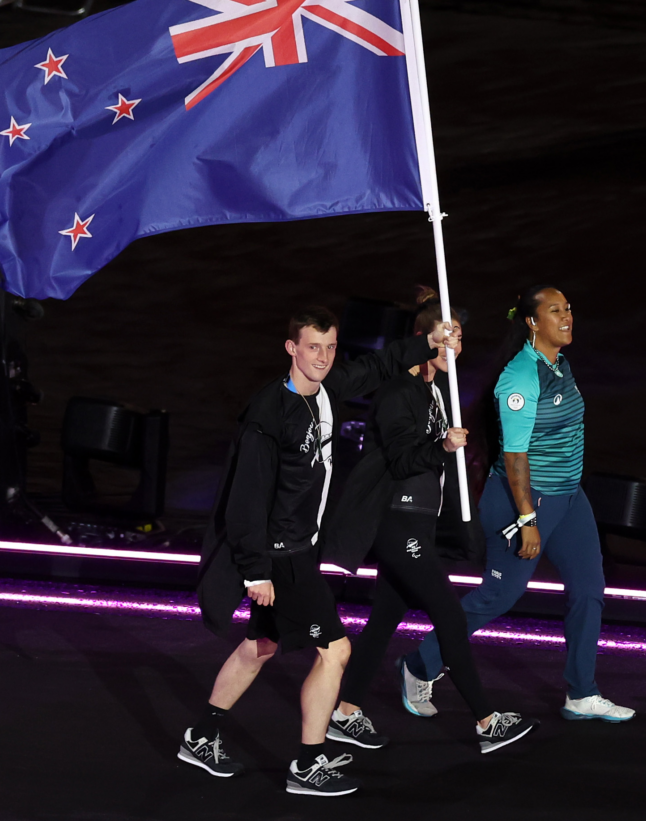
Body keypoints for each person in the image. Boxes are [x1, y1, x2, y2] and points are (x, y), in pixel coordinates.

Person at [181, 305, 459, 797]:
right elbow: (245, 501)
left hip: (300, 546)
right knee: (335, 650)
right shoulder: (269, 416)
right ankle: (307, 766)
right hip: (279, 553)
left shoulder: (326, 390)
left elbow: (376, 366)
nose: (323, 357)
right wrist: (255, 572)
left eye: (331, 347)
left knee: (261, 647)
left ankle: (200, 737)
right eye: (313, 347)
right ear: (291, 349)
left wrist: (431, 343)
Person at [397, 286, 635, 723]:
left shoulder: (559, 364)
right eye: (555, 311)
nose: (567, 318)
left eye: (568, 309)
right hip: (523, 503)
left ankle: (581, 693)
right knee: (498, 596)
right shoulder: (520, 378)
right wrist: (527, 519)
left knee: (588, 592)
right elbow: (514, 457)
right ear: (531, 322)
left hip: (568, 498)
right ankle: (419, 663)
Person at [321, 288, 538, 755]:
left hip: (419, 522)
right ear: (424, 338)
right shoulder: (400, 388)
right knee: (449, 615)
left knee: (383, 621)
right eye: (447, 338)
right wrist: (441, 447)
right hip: (396, 520)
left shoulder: (438, 388)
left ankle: (345, 712)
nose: (455, 349)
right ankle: (485, 721)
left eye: (460, 339)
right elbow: (400, 459)